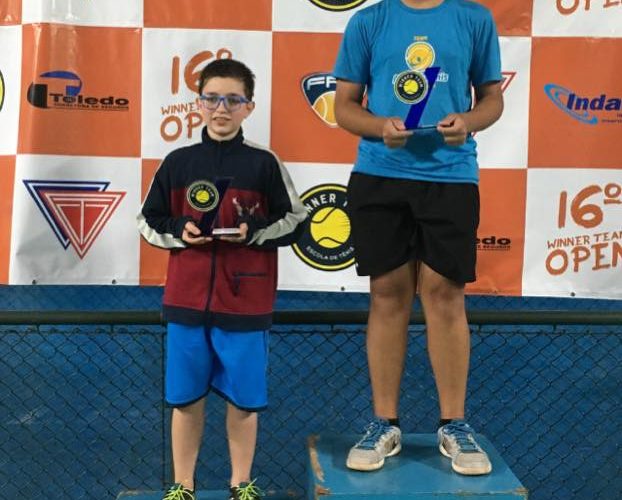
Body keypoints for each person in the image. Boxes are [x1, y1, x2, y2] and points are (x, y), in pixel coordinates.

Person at [333, 0, 503, 475]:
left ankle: (454, 424)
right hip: (379, 174)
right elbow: (344, 106)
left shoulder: (474, 18)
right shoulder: (369, 20)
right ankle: (384, 423)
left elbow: (492, 98)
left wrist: (469, 121)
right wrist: (377, 127)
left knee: (444, 293)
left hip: (451, 177)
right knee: (387, 293)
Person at [138, 58, 307, 500]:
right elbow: (147, 221)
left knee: (244, 403)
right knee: (185, 401)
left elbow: (296, 220)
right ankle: (182, 486)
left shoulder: (264, 164)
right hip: (186, 303)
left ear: (249, 107)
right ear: (198, 104)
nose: (221, 108)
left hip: (245, 304)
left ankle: (241, 484)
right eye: (212, 98)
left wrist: (256, 232)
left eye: (233, 100)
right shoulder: (177, 162)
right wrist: (180, 230)